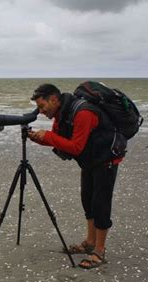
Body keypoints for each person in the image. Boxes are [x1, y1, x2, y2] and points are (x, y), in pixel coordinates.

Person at [27, 83, 122, 269]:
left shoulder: (83, 113)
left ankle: (99, 251)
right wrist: (39, 138)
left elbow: (76, 146)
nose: (40, 112)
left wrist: (47, 136)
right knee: (87, 200)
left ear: (54, 100)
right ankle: (90, 241)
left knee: (100, 203)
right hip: (89, 159)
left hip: (106, 158)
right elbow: (60, 141)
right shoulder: (61, 114)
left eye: (41, 106)